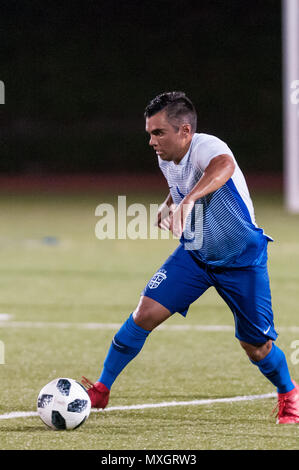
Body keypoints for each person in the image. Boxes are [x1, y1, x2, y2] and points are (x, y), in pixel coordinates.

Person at [82, 91, 299, 423]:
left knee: (256, 346)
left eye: (158, 133)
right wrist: (171, 202)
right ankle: (101, 390)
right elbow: (182, 180)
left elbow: (223, 166)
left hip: (241, 260)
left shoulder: (207, 147)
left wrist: (188, 202)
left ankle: (289, 393)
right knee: (144, 313)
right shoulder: (166, 156)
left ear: (184, 131)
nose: (152, 141)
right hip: (196, 254)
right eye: (150, 133)